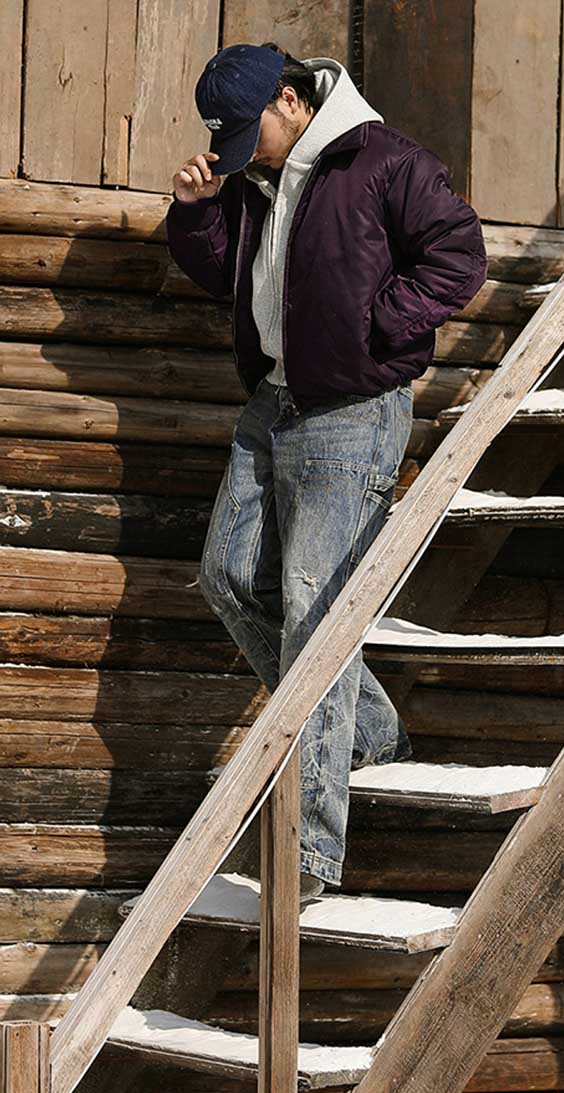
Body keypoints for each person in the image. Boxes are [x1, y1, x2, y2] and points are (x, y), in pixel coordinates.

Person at [166, 43, 487, 897]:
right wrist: (197, 212)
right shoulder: (263, 179)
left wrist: (379, 328)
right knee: (228, 575)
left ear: (290, 99)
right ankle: (371, 730)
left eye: (248, 134)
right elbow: (229, 271)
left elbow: (460, 253)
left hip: (350, 412)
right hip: (273, 402)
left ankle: (311, 852)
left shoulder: (385, 162)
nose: (244, 152)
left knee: (317, 612)